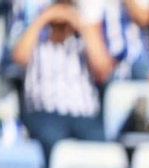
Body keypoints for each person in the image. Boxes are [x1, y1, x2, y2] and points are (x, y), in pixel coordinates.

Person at [11, 0, 115, 158]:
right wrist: (43, 18)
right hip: (45, 113)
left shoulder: (82, 43)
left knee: (98, 143)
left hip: (84, 114)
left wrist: (81, 24)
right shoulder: (37, 42)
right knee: (51, 137)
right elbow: (19, 57)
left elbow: (103, 68)